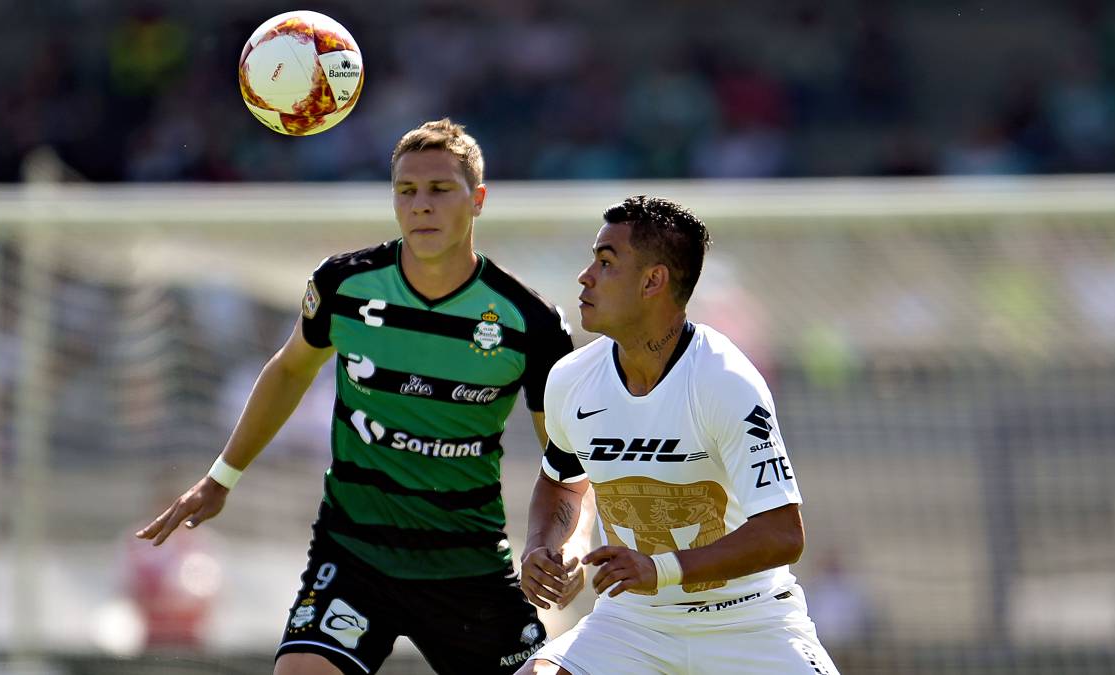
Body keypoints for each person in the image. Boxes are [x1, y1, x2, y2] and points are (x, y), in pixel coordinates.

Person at [137, 118, 576, 675]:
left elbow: (566, 464)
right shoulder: (344, 284)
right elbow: (290, 370)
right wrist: (222, 476)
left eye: (440, 190)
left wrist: (559, 545)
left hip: (467, 567)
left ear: (478, 200)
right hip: (354, 556)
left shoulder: (529, 322)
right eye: (406, 191)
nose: (421, 205)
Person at [517, 196, 840, 674]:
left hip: (748, 624)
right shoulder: (570, 378)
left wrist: (659, 569)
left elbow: (784, 534)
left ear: (653, 281)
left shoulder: (724, 381)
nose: (585, 276)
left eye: (606, 262)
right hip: (631, 624)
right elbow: (562, 480)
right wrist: (544, 547)